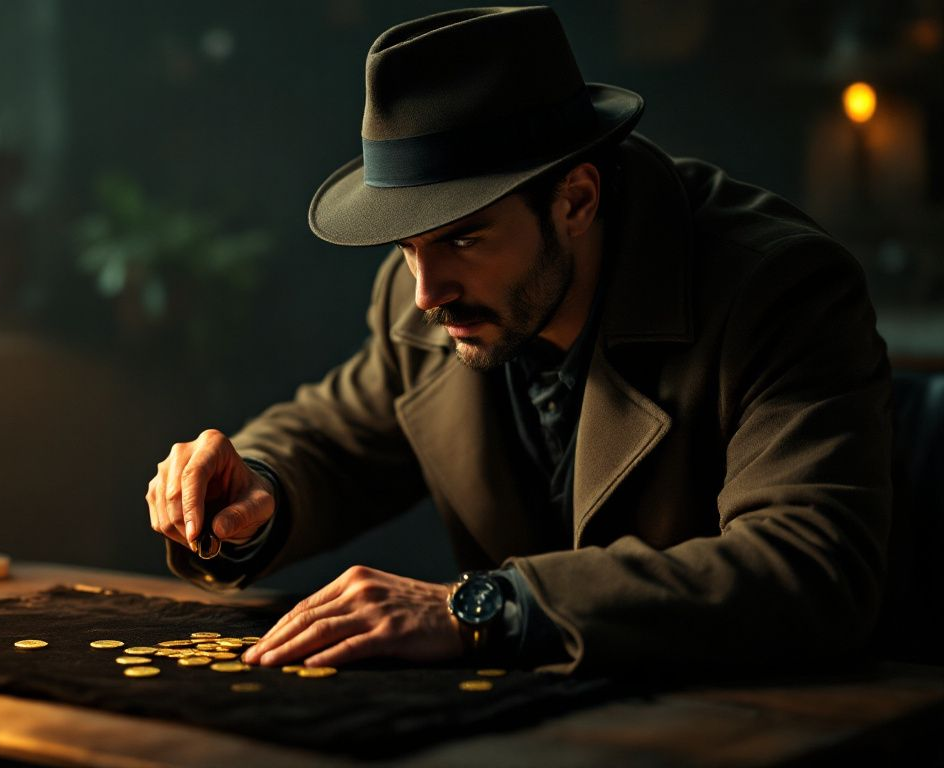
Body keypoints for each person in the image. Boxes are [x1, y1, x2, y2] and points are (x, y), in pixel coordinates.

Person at [143, 6, 892, 674]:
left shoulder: (777, 288)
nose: (427, 292)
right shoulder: (428, 296)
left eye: (464, 239)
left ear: (576, 200)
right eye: (406, 246)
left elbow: (812, 565)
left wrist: (486, 608)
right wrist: (251, 492)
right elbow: (336, 440)